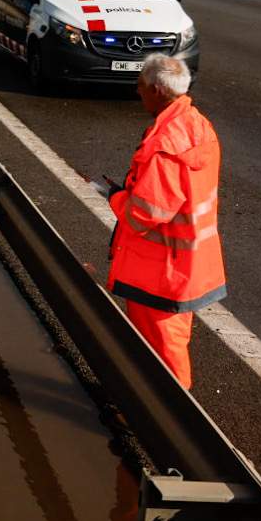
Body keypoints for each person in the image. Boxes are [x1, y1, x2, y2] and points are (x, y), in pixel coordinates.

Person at [101, 54, 225, 389]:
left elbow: (144, 215)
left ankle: (171, 420)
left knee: (158, 350)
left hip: (157, 271)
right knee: (172, 341)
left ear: (156, 89)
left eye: (140, 85)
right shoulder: (197, 124)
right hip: (186, 264)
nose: (137, 91)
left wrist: (115, 197)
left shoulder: (166, 143)